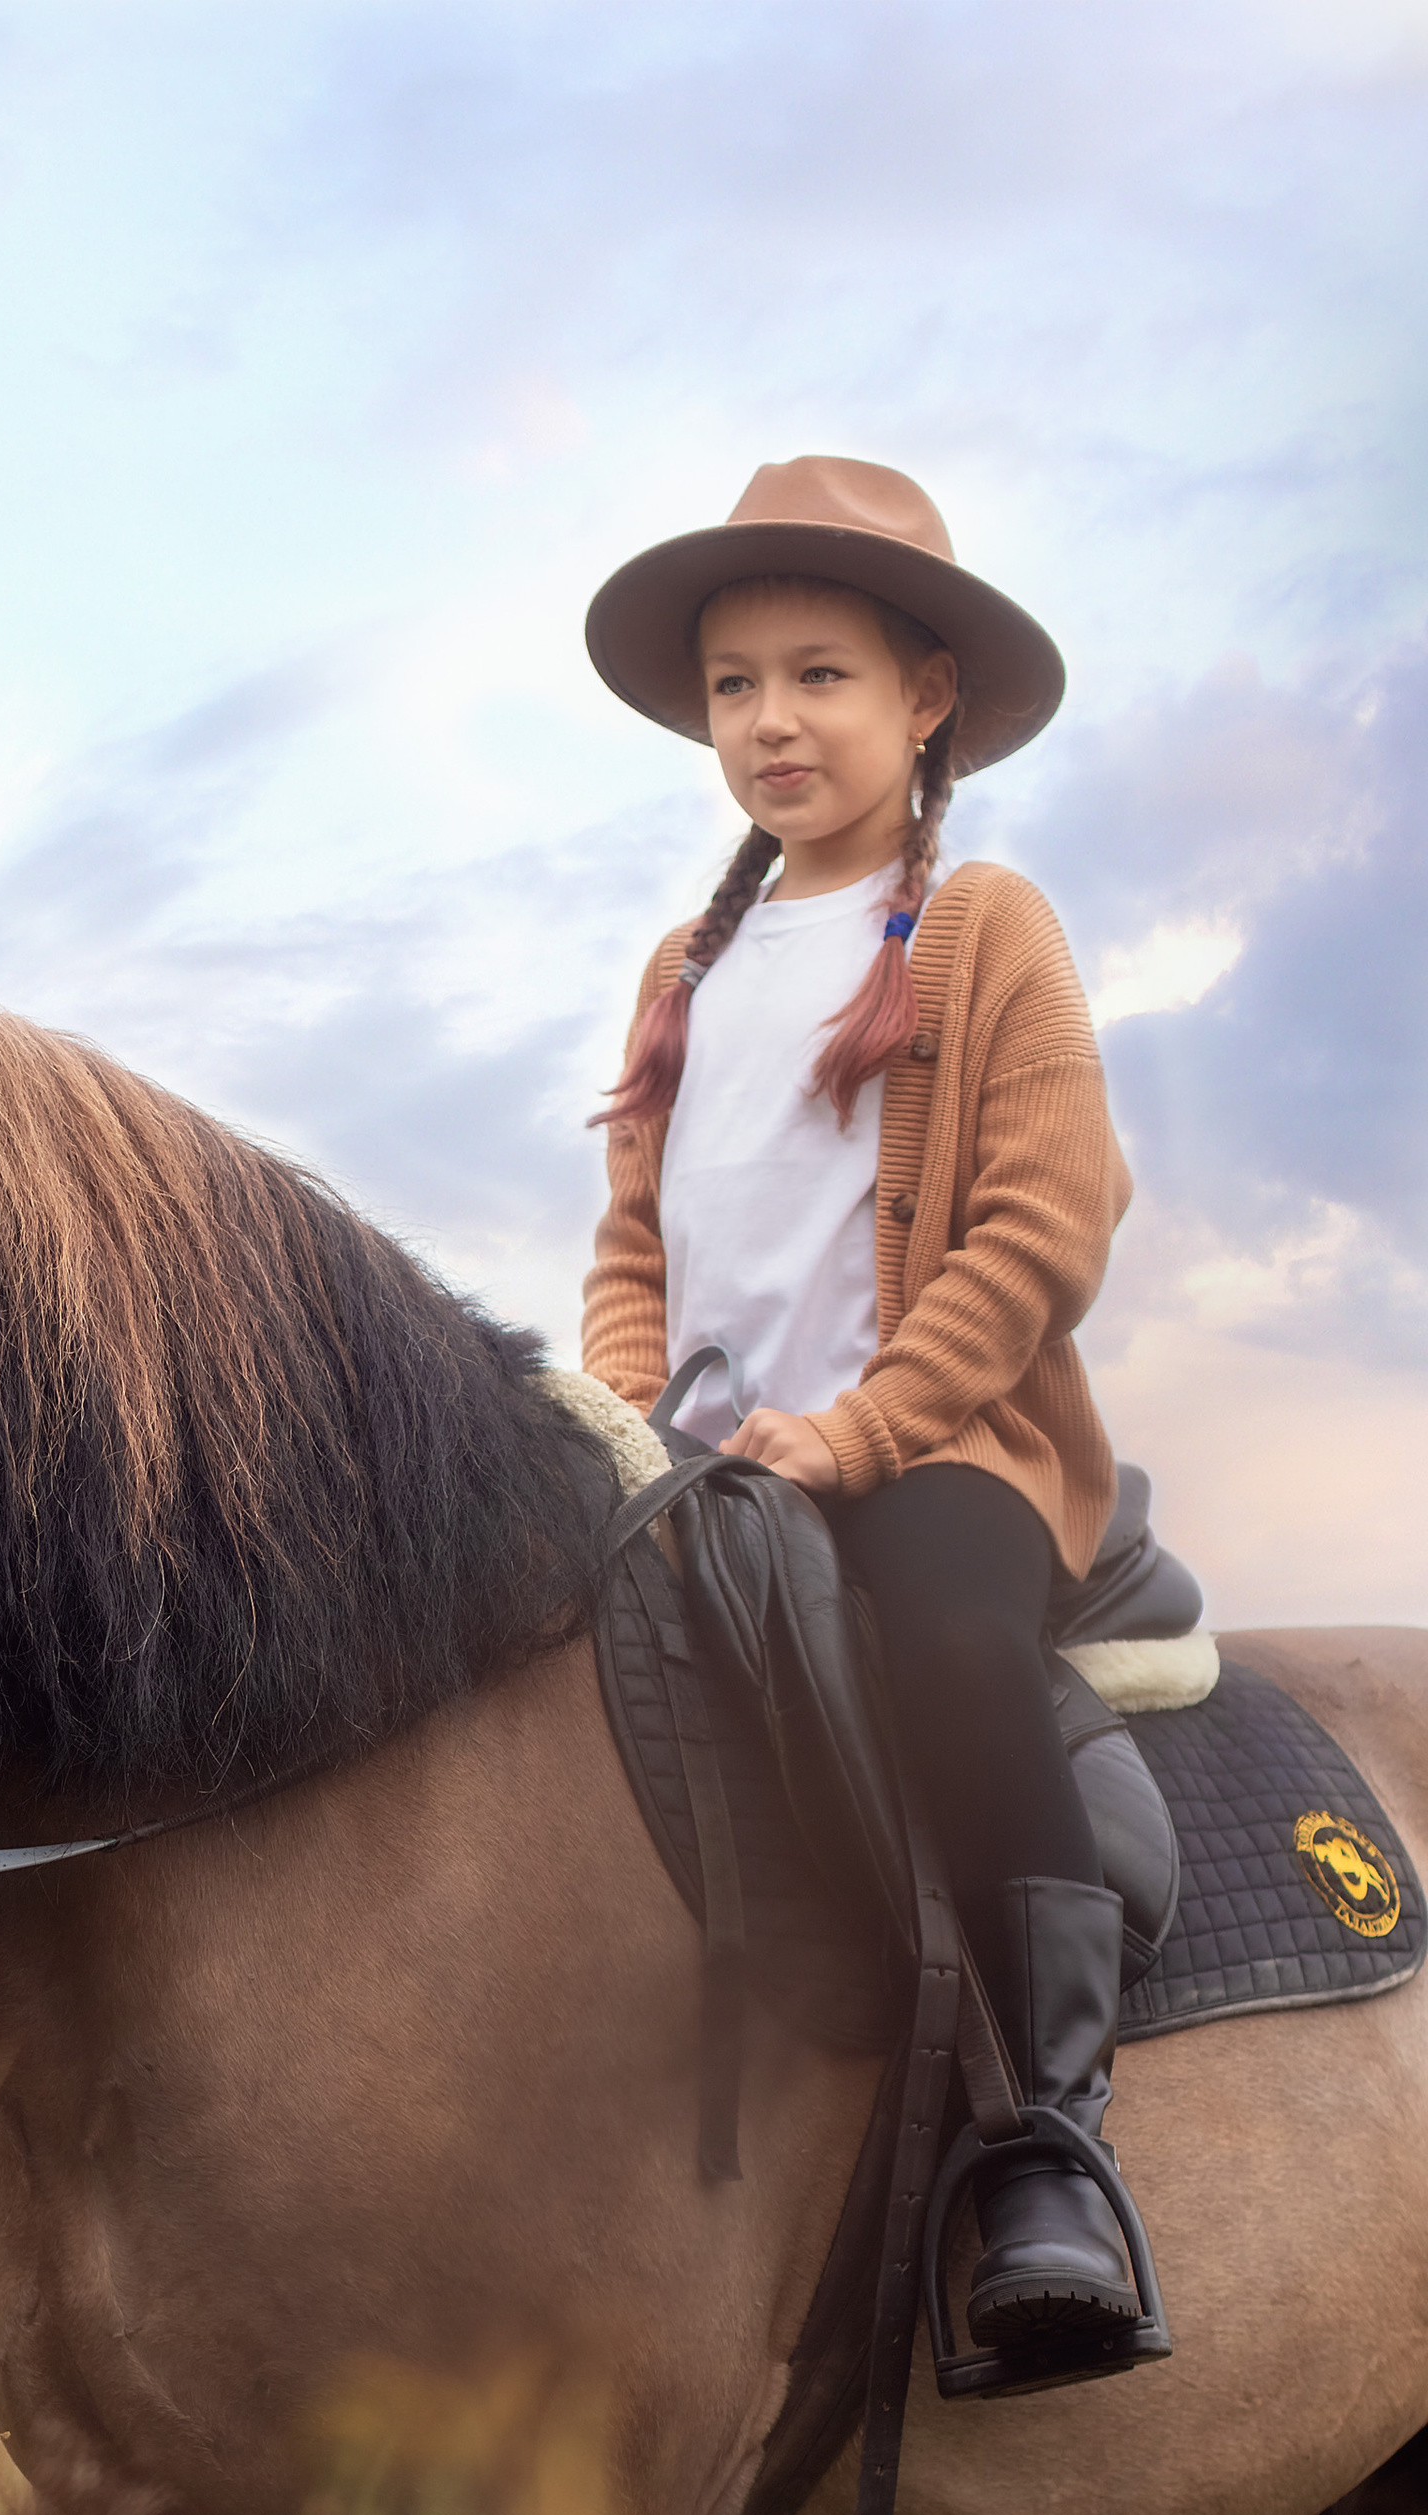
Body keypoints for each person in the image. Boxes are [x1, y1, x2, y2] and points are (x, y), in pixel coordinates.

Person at [580, 453, 1148, 2362]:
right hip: (706, 1469)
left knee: (950, 1650)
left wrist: (868, 1426)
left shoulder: (987, 926)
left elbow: (1049, 1216)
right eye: (736, 685)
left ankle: (1045, 2133)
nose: (771, 721)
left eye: (819, 676)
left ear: (925, 703)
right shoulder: (692, 964)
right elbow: (636, 1246)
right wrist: (620, 1416)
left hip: (935, 1450)